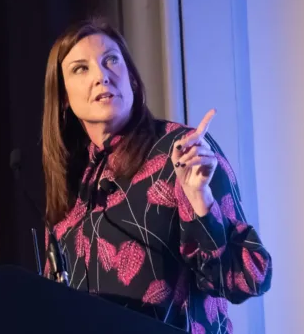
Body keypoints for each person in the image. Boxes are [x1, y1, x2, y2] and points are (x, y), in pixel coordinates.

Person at [40, 17, 272, 333]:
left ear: (132, 79)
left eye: (111, 61)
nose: (101, 76)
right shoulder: (72, 186)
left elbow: (249, 277)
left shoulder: (183, 152)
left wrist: (200, 202)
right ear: (64, 97)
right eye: (81, 68)